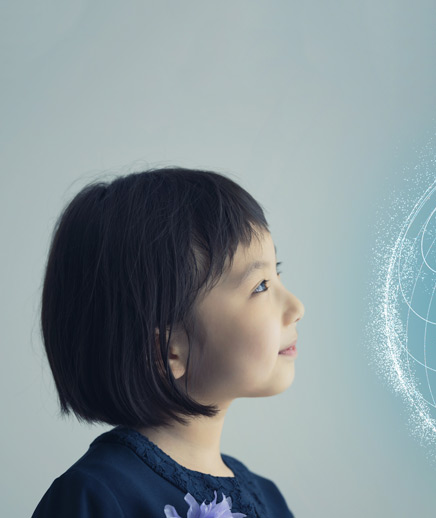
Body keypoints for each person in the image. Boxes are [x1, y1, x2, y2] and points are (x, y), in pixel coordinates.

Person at [32, 167, 305, 518]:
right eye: (261, 286)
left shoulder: (267, 498)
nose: (297, 308)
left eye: (277, 273)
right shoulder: (96, 496)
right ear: (169, 349)